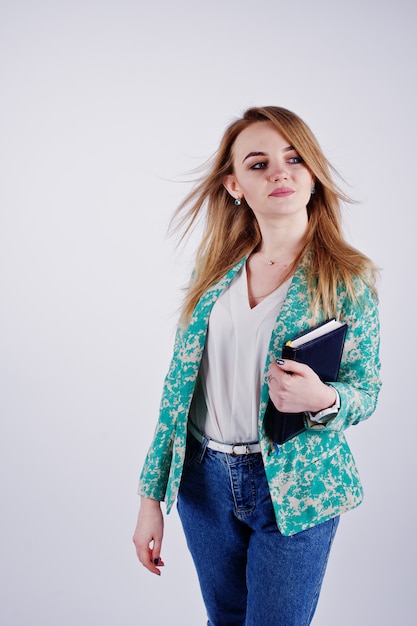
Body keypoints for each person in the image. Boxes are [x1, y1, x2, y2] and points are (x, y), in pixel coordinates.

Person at [132, 106, 381, 626]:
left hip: (296, 484)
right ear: (235, 185)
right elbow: (176, 392)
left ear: (312, 173)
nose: (280, 172)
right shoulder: (215, 271)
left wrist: (325, 400)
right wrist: (150, 496)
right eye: (259, 163)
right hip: (205, 481)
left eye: (293, 158)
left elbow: (367, 388)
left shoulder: (347, 277)